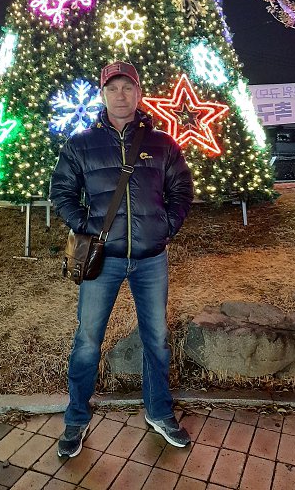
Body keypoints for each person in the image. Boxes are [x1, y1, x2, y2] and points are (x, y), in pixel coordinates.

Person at [50, 61, 194, 458]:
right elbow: (62, 191)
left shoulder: (163, 143)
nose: (120, 95)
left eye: (127, 87)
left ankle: (159, 412)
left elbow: (182, 189)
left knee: (157, 340)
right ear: (102, 95)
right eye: (112, 88)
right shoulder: (81, 144)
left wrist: (167, 226)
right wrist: (87, 226)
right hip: (104, 260)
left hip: (151, 259)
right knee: (87, 341)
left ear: (138, 93)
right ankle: (76, 418)